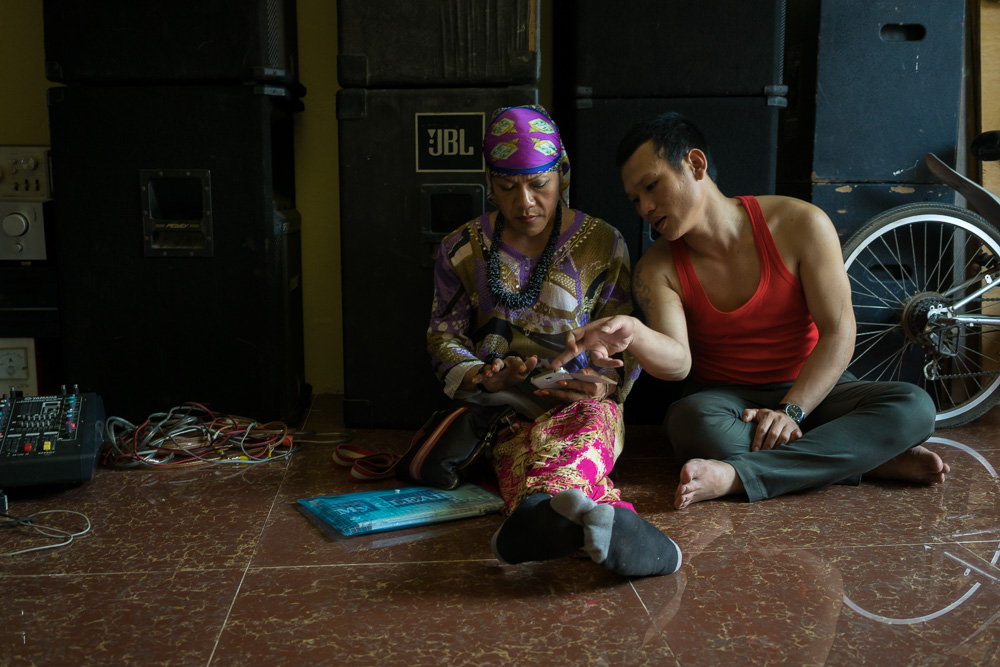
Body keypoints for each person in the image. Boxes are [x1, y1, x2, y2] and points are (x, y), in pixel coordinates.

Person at [550, 111, 949, 509]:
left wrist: (792, 410)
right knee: (689, 424)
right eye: (635, 199)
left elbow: (839, 333)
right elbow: (678, 365)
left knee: (915, 409)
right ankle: (864, 458)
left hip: (817, 390)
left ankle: (739, 476)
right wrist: (634, 333)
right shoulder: (655, 268)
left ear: (695, 164)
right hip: (728, 405)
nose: (645, 207)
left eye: (652, 186)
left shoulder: (801, 224)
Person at [426, 105, 682, 577]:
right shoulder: (461, 249)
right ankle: (624, 530)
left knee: (580, 428)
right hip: (502, 407)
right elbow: (444, 336)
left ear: (562, 173)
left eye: (538, 184)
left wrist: (602, 381)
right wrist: (484, 376)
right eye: (507, 187)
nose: (525, 202)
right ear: (490, 182)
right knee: (515, 444)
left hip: (585, 404)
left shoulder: (605, 243)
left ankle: (539, 511)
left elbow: (621, 335)